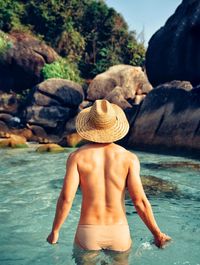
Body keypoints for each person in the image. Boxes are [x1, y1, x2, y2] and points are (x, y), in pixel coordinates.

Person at [47, 99, 171, 252]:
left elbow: (66, 198)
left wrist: (55, 231)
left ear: (89, 126)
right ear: (114, 126)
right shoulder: (129, 158)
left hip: (88, 232)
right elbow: (139, 201)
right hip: (119, 232)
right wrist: (157, 233)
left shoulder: (77, 157)